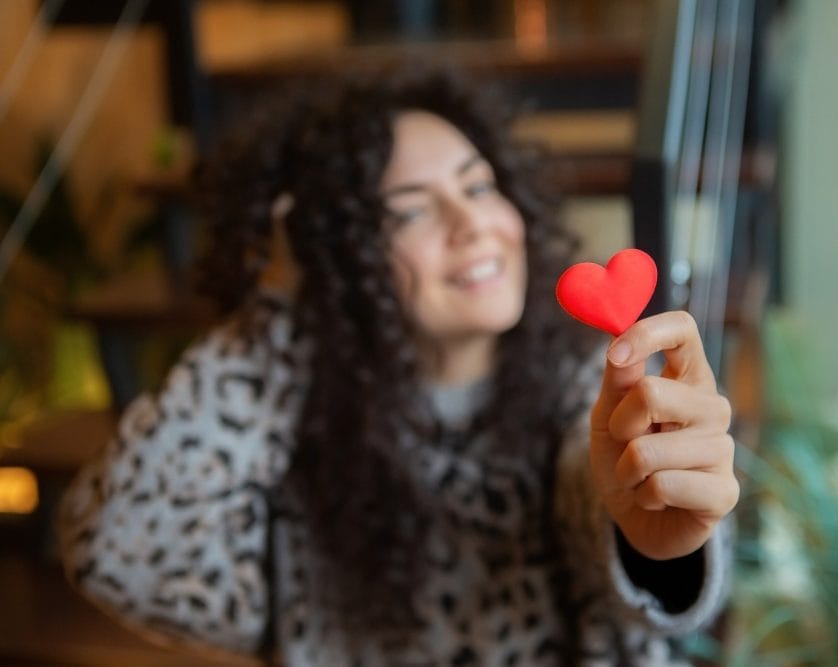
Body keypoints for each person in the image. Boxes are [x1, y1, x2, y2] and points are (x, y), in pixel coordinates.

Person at [58, 66, 739, 666]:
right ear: (340, 255)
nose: (468, 223)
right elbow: (119, 553)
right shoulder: (283, 436)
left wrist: (655, 544)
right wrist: (278, 305)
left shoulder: (587, 387)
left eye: (478, 186)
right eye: (408, 211)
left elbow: (592, 493)